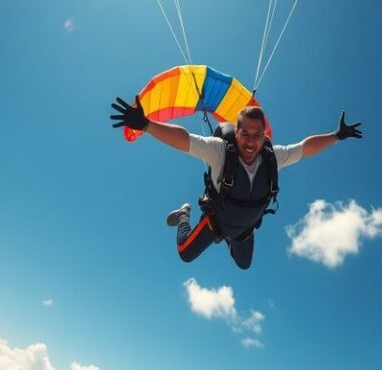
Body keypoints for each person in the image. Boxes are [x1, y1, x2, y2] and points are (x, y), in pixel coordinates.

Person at [111, 96, 362, 269]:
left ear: (264, 136)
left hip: (243, 231)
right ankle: (185, 215)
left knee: (244, 265)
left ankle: (232, 237)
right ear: (237, 133)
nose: (251, 142)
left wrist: (336, 136)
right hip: (216, 223)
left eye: (257, 135)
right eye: (245, 134)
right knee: (185, 254)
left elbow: (305, 148)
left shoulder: (274, 157)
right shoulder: (219, 151)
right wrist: (146, 125)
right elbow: (184, 139)